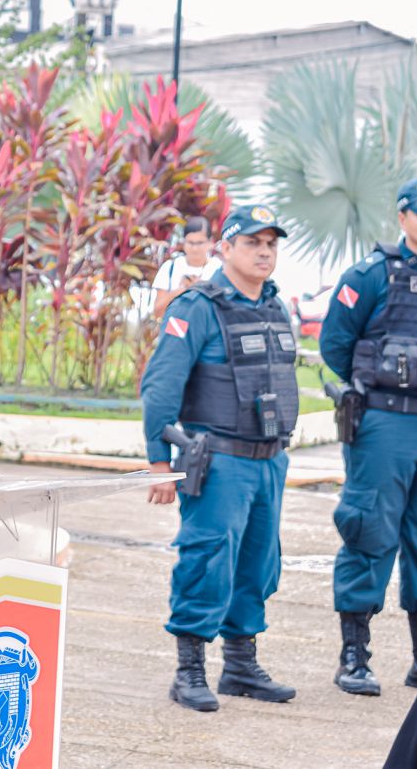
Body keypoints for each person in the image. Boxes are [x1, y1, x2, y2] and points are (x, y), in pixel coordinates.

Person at [141, 204, 299, 712]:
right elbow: (160, 387)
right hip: (219, 461)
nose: (264, 252)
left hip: (269, 459)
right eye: (252, 242)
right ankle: (189, 671)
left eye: (271, 243)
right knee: (207, 560)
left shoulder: (274, 306)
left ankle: (240, 666)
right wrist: (160, 463)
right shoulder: (197, 308)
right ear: (225, 248)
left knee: (259, 563)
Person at [319, 178, 417, 698]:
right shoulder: (371, 275)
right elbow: (335, 344)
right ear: (402, 217)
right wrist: (371, 388)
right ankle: (354, 657)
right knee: (369, 531)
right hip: (383, 423)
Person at [151, 215, 221, 319]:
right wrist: (181, 290)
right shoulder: (170, 267)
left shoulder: (219, 268)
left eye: (200, 243)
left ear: (210, 243)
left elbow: (226, 309)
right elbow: (158, 313)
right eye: (190, 243)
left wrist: (202, 289)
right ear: (183, 243)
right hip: (175, 327)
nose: (195, 248)